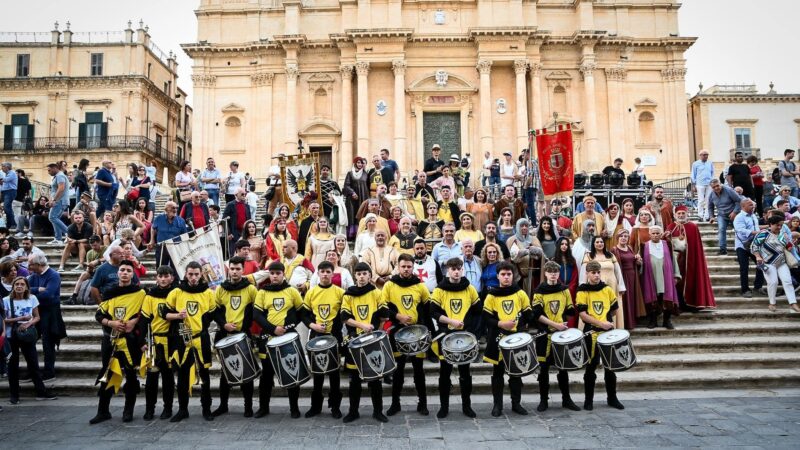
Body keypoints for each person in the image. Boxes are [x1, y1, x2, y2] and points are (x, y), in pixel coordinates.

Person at [90, 260, 145, 424]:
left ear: (133, 273)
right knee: (107, 373)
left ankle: (128, 411)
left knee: (130, 374)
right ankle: (103, 411)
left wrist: (134, 322)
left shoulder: (141, 293)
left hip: (130, 341)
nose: (125, 272)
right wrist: (111, 323)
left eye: (129, 270)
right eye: (122, 270)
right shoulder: (109, 293)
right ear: (118, 272)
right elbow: (99, 315)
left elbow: (146, 313)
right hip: (111, 339)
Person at [162, 262, 216, 422]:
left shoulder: (207, 292)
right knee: (183, 375)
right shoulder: (177, 292)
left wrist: (201, 324)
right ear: (185, 274)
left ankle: (206, 409)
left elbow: (212, 313)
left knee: (204, 375)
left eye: (196, 274)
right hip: (182, 338)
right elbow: (165, 313)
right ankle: (182, 409)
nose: (193, 277)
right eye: (190, 274)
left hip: (200, 338)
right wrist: (178, 316)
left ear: (201, 275)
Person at [339, 262, 390, 423]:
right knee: (354, 380)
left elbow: (384, 314)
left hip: (372, 341)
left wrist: (378, 330)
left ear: (369, 275)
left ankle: (378, 411)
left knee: (375, 379)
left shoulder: (376, 293)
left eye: (364, 274)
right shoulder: (348, 294)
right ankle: (353, 411)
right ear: (355, 276)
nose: (361, 277)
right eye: (359, 274)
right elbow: (345, 317)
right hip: (354, 340)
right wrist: (362, 326)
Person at [430, 257, 481, 419]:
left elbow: (477, 310)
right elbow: (433, 312)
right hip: (446, 337)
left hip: (465, 337)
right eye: (453, 269)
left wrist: (470, 329)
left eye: (459, 268)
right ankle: (443, 407)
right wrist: (450, 321)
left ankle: (467, 406)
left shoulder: (470, 289)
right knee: (445, 374)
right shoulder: (439, 290)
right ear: (447, 271)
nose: (456, 271)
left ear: (462, 270)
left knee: (465, 374)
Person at [253, 261, 304, 418]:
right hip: (267, 338)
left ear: (283, 274)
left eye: (278, 273)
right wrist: (272, 329)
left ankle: (294, 408)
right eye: (272, 273)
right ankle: (263, 407)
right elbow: (257, 315)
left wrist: (287, 327)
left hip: (287, 337)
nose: (275, 276)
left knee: (291, 371)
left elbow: (301, 313)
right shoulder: (262, 292)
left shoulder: (292, 291)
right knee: (266, 375)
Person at [383, 253, 432, 416]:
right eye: (403, 266)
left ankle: (423, 403)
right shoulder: (389, 285)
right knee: (398, 370)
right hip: (397, 332)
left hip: (417, 333)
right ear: (398, 266)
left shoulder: (420, 286)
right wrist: (398, 317)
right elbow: (383, 309)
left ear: (413, 267)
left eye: (409, 266)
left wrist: (427, 332)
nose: (406, 269)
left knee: (419, 370)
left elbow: (427, 310)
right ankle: (395, 403)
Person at [211, 256, 258, 418]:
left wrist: (245, 328)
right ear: (228, 270)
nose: (235, 271)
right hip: (224, 335)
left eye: (238, 269)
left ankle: (248, 406)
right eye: (232, 268)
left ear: (243, 270)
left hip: (243, 335)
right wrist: (224, 324)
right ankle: (223, 405)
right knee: (225, 374)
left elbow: (255, 311)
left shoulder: (251, 289)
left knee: (247, 373)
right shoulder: (221, 289)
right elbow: (215, 311)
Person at [483, 261, 532, 416]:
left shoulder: (520, 293)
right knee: (498, 374)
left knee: (516, 373)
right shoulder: (491, 295)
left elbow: (528, 314)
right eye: (503, 274)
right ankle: (497, 405)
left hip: (516, 339)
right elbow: (486, 318)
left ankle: (516, 404)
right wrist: (501, 323)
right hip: (497, 339)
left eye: (509, 274)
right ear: (498, 276)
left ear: (513, 276)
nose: (506, 277)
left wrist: (523, 322)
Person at [576, 260, 625, 410]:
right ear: (587, 274)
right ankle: (588, 400)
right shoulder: (582, 291)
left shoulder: (607, 290)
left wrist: (607, 322)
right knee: (591, 367)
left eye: (598, 272)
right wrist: (600, 323)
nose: (596, 275)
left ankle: (612, 398)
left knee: (610, 366)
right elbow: (583, 315)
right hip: (591, 333)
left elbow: (615, 309)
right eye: (593, 273)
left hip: (607, 334)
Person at [532, 261, 579, 412]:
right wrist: (554, 324)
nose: (553, 274)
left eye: (555, 272)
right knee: (543, 369)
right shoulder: (539, 291)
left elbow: (570, 309)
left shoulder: (564, 290)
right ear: (545, 273)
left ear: (558, 274)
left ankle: (567, 399)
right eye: (550, 271)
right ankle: (543, 400)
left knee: (563, 368)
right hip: (544, 335)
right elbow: (537, 315)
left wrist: (566, 317)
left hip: (561, 335)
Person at [3, 276, 57, 405]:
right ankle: (14, 394)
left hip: (27, 335)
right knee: (12, 365)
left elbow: (37, 317)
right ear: (13, 286)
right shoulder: (6, 300)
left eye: (22, 284)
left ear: (26, 286)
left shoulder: (32, 298)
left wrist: (28, 323)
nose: (19, 286)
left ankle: (41, 391)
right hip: (12, 336)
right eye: (17, 284)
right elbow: (4, 320)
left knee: (33, 363)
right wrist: (20, 319)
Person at [301, 261, 344, 418]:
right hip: (316, 337)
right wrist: (313, 325)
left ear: (333, 274)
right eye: (322, 271)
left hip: (334, 337)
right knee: (317, 373)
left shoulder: (340, 292)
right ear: (318, 274)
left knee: (334, 374)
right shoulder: (311, 293)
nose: (325, 274)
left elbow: (345, 314)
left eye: (328, 271)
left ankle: (335, 407)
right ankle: (315, 407)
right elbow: (304, 314)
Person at [139, 266, 177, 421]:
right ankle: (150, 409)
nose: (163, 279)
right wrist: (143, 340)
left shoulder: (176, 293)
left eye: (166, 276)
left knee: (168, 378)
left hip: (170, 341)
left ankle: (168, 408)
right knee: (152, 379)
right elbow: (144, 321)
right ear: (156, 278)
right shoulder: (150, 296)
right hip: (154, 341)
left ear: (172, 278)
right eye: (160, 276)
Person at [667, 205, 717, 309]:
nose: (681, 215)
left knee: (690, 281)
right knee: (676, 281)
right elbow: (666, 243)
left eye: (683, 213)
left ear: (687, 214)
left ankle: (691, 304)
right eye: (679, 214)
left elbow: (696, 246)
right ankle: (678, 304)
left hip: (689, 258)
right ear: (675, 215)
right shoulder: (670, 227)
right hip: (675, 259)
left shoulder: (693, 227)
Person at [751, 215, 800, 313]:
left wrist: (792, 243)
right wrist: (758, 256)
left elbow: (789, 248)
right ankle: (772, 303)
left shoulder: (783, 234)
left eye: (781, 225)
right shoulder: (763, 234)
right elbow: (754, 246)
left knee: (787, 281)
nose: (779, 227)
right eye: (777, 225)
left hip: (781, 262)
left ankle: (793, 303)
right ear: (770, 224)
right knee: (773, 282)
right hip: (768, 263)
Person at [27, 254, 63, 381]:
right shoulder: (34, 276)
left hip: (50, 313)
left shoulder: (53, 275)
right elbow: (25, 289)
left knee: (48, 343)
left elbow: (49, 294)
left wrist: (32, 294)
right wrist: (38, 289)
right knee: (29, 341)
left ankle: (49, 371)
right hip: (37, 311)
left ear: (39, 265)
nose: (28, 266)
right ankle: (32, 370)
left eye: (31, 264)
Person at [641, 226, 680, 329]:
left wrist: (676, 275)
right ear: (649, 234)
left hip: (666, 276)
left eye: (657, 233)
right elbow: (641, 263)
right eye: (653, 233)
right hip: (650, 277)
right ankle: (653, 321)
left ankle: (667, 321)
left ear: (661, 234)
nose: (655, 235)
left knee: (667, 298)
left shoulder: (667, 244)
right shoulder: (644, 246)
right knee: (652, 298)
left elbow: (673, 260)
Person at [610, 229, 644, 330]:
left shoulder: (630, 248)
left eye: (626, 236)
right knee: (624, 299)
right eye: (621, 236)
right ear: (617, 238)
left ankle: (632, 321)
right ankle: (625, 322)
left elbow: (635, 263)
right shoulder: (614, 250)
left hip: (633, 277)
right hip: (622, 277)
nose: (624, 238)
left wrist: (638, 262)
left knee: (632, 299)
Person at [148, 202, 189, 269]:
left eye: (176, 208)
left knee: (176, 268)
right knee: (160, 267)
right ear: (166, 209)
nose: (175, 210)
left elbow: (185, 235)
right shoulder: (159, 218)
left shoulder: (181, 220)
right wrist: (152, 240)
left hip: (176, 247)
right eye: (173, 207)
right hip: (162, 247)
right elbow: (153, 227)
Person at [708, 179, 743, 256]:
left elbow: (739, 200)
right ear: (711, 188)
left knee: (739, 230)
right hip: (722, 215)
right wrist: (711, 216)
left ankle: (743, 247)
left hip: (734, 213)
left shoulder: (728, 190)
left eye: (717, 185)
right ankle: (722, 249)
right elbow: (710, 206)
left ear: (720, 184)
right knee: (721, 229)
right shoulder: (711, 195)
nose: (716, 188)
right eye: (714, 187)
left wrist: (735, 212)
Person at [343, 158, 370, 240]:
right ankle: (351, 236)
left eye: (361, 163)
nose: (360, 164)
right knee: (352, 215)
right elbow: (346, 185)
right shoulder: (350, 174)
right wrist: (352, 193)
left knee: (362, 214)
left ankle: (361, 234)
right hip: (352, 199)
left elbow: (368, 186)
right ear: (355, 163)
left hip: (363, 198)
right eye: (358, 162)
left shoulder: (366, 174)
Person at [45, 163, 70, 245]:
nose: (48, 172)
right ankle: (58, 238)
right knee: (55, 219)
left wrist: (54, 200)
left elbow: (61, 188)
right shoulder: (58, 176)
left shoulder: (60, 176)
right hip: (59, 200)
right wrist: (51, 200)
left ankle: (69, 233)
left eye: (49, 170)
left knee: (52, 217)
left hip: (60, 201)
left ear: (55, 168)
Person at [223, 188, 252, 256]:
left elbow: (249, 220)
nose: (244, 195)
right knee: (233, 253)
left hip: (244, 232)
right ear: (236, 195)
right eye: (242, 194)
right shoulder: (230, 205)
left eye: (245, 194)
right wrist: (228, 233)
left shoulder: (247, 206)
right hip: (234, 233)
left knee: (245, 253)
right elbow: (224, 219)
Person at [691, 150, 715, 221]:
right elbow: (693, 175)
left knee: (708, 200)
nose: (706, 156)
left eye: (707, 155)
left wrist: (712, 182)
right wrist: (693, 185)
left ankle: (707, 216)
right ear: (700, 155)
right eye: (704, 155)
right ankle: (700, 216)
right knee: (701, 200)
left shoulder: (710, 163)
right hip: (699, 184)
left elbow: (712, 173)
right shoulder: (695, 164)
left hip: (709, 184)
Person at [0, 162, 18, 231]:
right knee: (7, 208)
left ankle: (13, 224)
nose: (2, 168)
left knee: (7, 207)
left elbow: (5, 180)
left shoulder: (12, 173)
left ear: (7, 167)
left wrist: (2, 180)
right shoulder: (5, 174)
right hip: (5, 192)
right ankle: (9, 224)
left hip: (10, 191)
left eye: (3, 167)